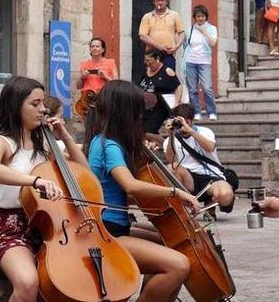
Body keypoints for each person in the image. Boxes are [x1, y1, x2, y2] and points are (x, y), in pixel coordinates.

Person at [85, 80, 200, 302]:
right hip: (108, 233)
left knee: (168, 240)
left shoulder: (103, 141)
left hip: (112, 226)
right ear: (126, 112)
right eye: (138, 112)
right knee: (179, 264)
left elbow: (119, 193)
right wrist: (176, 193)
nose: (142, 118)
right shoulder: (110, 145)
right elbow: (130, 185)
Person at [0, 76, 80, 302]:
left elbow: (82, 171)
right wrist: (34, 181)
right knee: (27, 282)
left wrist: (64, 136)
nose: (42, 110)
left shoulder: (43, 145)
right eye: (35, 104)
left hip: (46, 226)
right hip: (6, 229)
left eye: (43, 103)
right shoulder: (0, 141)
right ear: (16, 106)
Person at [163, 104, 236, 213]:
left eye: (186, 122)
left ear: (192, 121)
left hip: (211, 176)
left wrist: (191, 132)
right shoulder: (171, 139)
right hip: (188, 178)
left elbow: (210, 148)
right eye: (181, 123)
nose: (183, 127)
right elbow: (171, 160)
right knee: (171, 168)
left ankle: (211, 202)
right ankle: (183, 208)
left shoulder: (205, 132)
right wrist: (171, 135)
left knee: (225, 196)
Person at [139, 48, 182, 145]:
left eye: (149, 60)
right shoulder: (146, 70)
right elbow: (141, 85)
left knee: (147, 132)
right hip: (145, 107)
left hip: (160, 107)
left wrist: (176, 102)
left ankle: (167, 144)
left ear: (157, 58)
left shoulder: (167, 71)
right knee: (141, 131)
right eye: (145, 60)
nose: (147, 63)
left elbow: (178, 86)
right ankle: (155, 146)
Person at [183, 5, 219, 121]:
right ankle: (197, 112)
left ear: (206, 17)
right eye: (198, 16)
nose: (200, 18)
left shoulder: (211, 28)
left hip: (204, 62)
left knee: (207, 88)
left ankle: (212, 111)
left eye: (202, 16)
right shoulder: (190, 30)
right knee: (192, 89)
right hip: (191, 61)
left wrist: (204, 31)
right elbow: (185, 44)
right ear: (195, 17)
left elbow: (213, 42)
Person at [138, 0, 185, 69]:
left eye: (162, 0)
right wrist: (159, 46)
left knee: (168, 77)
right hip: (152, 55)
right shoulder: (147, 16)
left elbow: (182, 33)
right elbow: (142, 36)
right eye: (157, 0)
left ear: (167, 2)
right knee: (152, 77)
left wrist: (176, 47)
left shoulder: (174, 15)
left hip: (168, 53)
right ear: (154, 2)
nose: (160, 2)